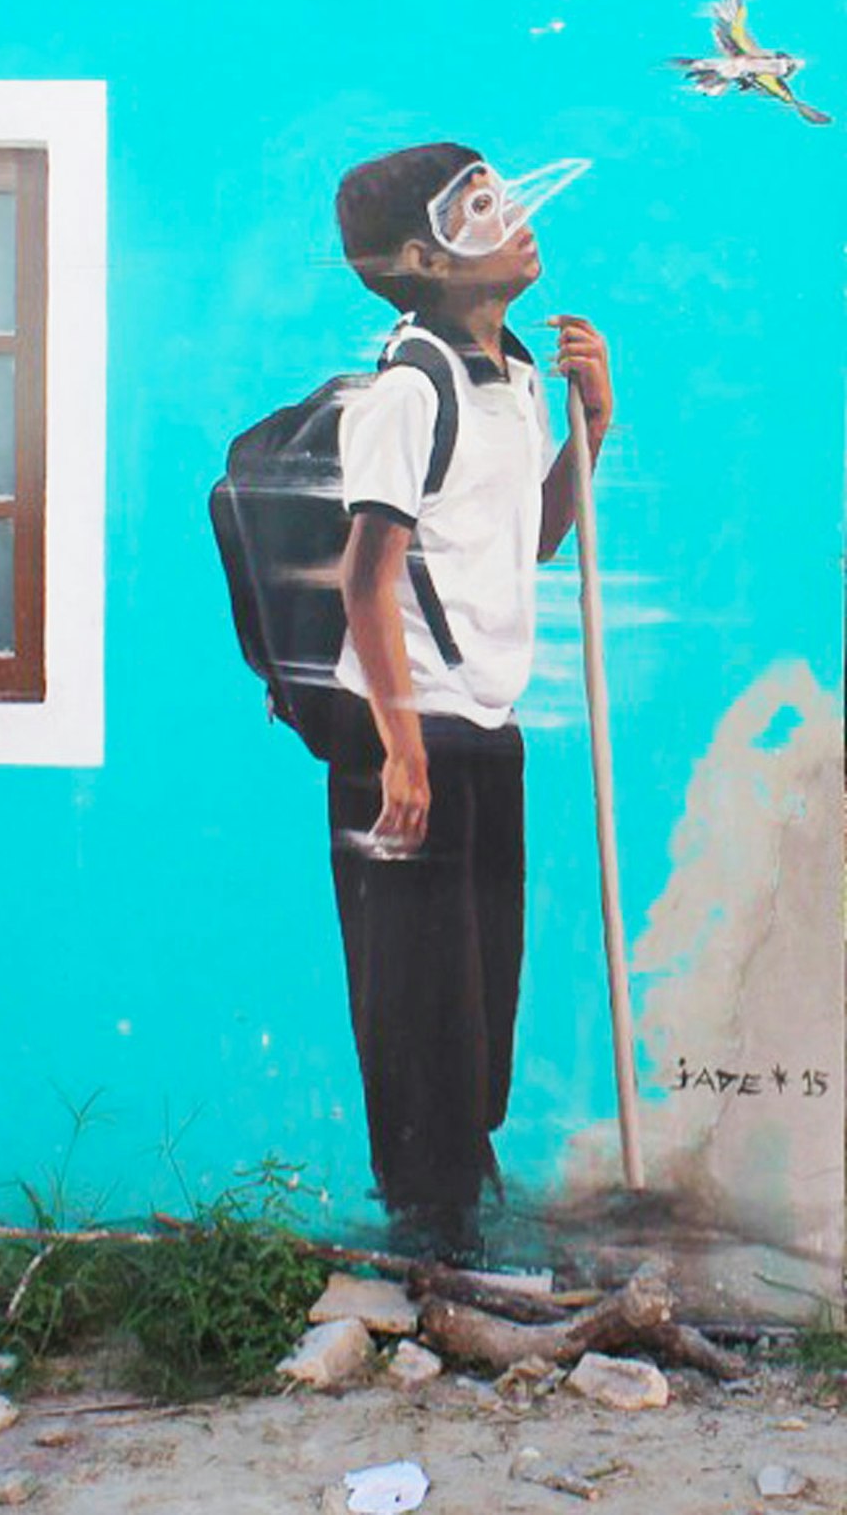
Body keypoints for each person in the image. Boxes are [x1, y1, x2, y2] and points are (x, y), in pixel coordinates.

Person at [328, 141, 613, 1258]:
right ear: (420, 258)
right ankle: (427, 1234)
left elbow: (533, 538)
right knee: (418, 998)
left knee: (481, 986)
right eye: (479, 207)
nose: (515, 218)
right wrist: (401, 752)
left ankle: (458, 1211)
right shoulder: (409, 386)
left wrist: (591, 419)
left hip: (483, 720)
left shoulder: (517, 378)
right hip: (402, 731)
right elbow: (365, 576)